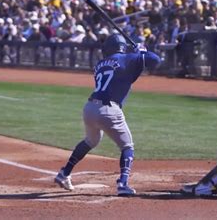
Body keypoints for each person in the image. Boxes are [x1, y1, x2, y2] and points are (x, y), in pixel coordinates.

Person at [54, 34, 161, 196]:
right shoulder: (128, 59)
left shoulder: (100, 64)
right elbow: (156, 60)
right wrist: (142, 51)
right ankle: (123, 184)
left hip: (89, 108)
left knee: (91, 140)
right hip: (109, 110)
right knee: (127, 146)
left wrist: (138, 54)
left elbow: (127, 72)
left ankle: (64, 173)